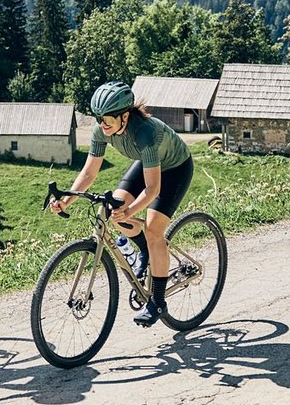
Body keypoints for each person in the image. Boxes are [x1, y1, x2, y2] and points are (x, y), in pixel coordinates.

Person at [51, 80, 194, 326]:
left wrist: (130, 211)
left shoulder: (146, 133)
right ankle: (144, 250)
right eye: (98, 118)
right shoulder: (101, 130)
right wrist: (66, 201)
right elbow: (88, 173)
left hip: (176, 168)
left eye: (107, 119)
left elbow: (153, 189)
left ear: (124, 116)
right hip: (147, 162)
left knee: (152, 229)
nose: (101, 124)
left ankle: (158, 302)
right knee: (113, 210)